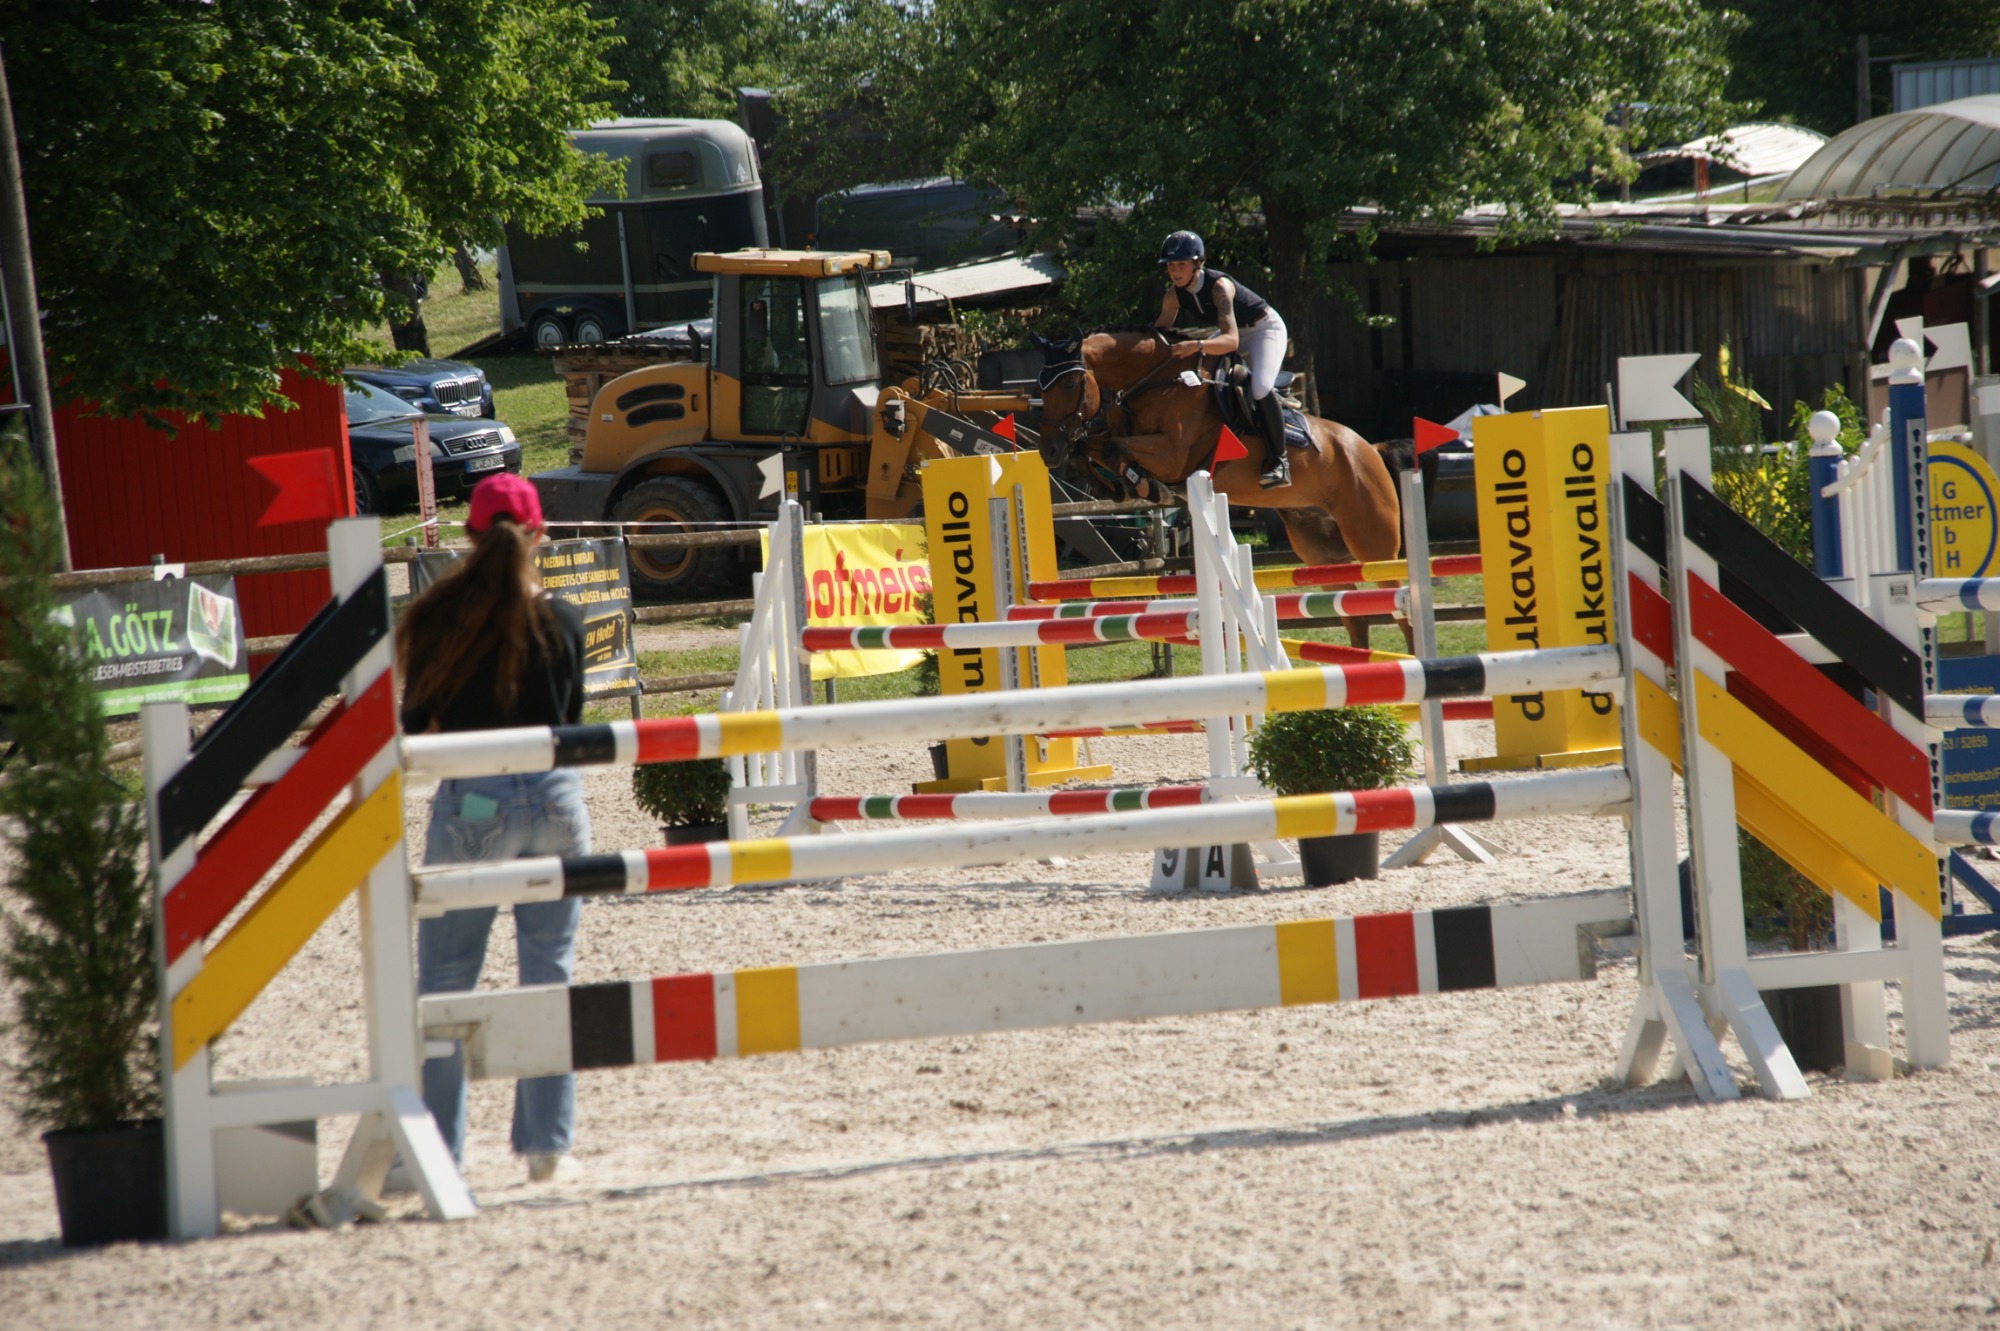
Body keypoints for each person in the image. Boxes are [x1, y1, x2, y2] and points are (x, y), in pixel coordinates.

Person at [396, 473, 590, 1185]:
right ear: (540, 535)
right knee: (549, 972)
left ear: (469, 535)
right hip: (555, 800)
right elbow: (572, 723)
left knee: (447, 979)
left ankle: (438, 1154)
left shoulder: (435, 619)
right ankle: (547, 1148)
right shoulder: (564, 622)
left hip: (475, 804)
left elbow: (416, 726)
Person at [1154, 230, 1292, 488]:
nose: (1175, 271)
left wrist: (1196, 345)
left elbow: (1231, 342)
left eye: (1181, 264)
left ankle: (1279, 461)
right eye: (1171, 265)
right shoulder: (1173, 295)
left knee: (1260, 387)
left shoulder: (1219, 287)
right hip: (1234, 332)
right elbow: (1157, 334)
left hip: (1264, 329)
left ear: (1198, 263)